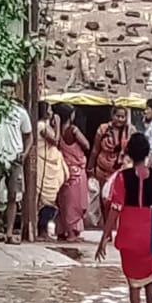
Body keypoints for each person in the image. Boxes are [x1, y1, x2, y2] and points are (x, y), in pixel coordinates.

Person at [95, 132, 152, 303]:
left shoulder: (122, 177)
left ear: (128, 153)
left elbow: (115, 208)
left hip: (129, 234)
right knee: (150, 280)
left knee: (134, 283)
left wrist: (104, 237)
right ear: (146, 152)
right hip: (150, 234)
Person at [0, 79, 33, 243]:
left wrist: (24, 154)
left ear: (13, 92)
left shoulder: (20, 112)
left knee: (13, 195)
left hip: (14, 158)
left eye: (9, 91)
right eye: (4, 91)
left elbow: (29, 136)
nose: (6, 94)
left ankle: (9, 233)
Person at [54, 103, 89, 242]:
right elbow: (86, 144)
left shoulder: (57, 132)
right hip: (76, 170)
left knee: (64, 203)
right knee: (75, 204)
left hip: (64, 170)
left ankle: (62, 231)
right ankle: (72, 233)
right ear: (71, 115)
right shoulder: (73, 130)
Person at [35, 102, 68, 240]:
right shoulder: (41, 126)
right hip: (44, 164)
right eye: (48, 109)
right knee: (46, 197)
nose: (51, 112)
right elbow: (55, 141)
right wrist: (58, 124)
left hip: (51, 163)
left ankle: (43, 229)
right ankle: (41, 231)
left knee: (50, 197)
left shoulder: (46, 125)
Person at [88, 105, 130, 200]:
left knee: (114, 198)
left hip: (118, 172)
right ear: (112, 116)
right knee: (101, 198)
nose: (120, 119)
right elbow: (95, 149)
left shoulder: (128, 131)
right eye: (117, 116)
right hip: (101, 170)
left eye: (122, 117)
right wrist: (90, 169)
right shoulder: (103, 129)